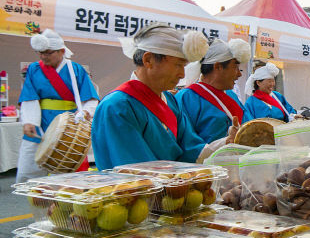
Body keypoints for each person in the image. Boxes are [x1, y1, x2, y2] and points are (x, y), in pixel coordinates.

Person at [92, 23, 236, 170]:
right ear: (148, 60)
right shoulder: (117, 107)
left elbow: (190, 149)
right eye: (178, 65)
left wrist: (225, 143)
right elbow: (133, 170)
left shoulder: (170, 101)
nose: (182, 74)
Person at [16, 29, 99, 182]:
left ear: (61, 51)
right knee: (27, 170)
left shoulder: (76, 70)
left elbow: (91, 98)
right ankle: (35, 201)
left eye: (47, 53)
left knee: (66, 175)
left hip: (68, 126)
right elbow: (30, 98)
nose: (43, 56)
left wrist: (86, 112)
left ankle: (61, 204)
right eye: (40, 52)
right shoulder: (34, 69)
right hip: (40, 123)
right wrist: (29, 121)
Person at [177, 38, 251, 143]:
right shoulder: (187, 97)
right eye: (235, 67)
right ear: (218, 67)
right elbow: (186, 143)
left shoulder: (232, 96)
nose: (239, 74)